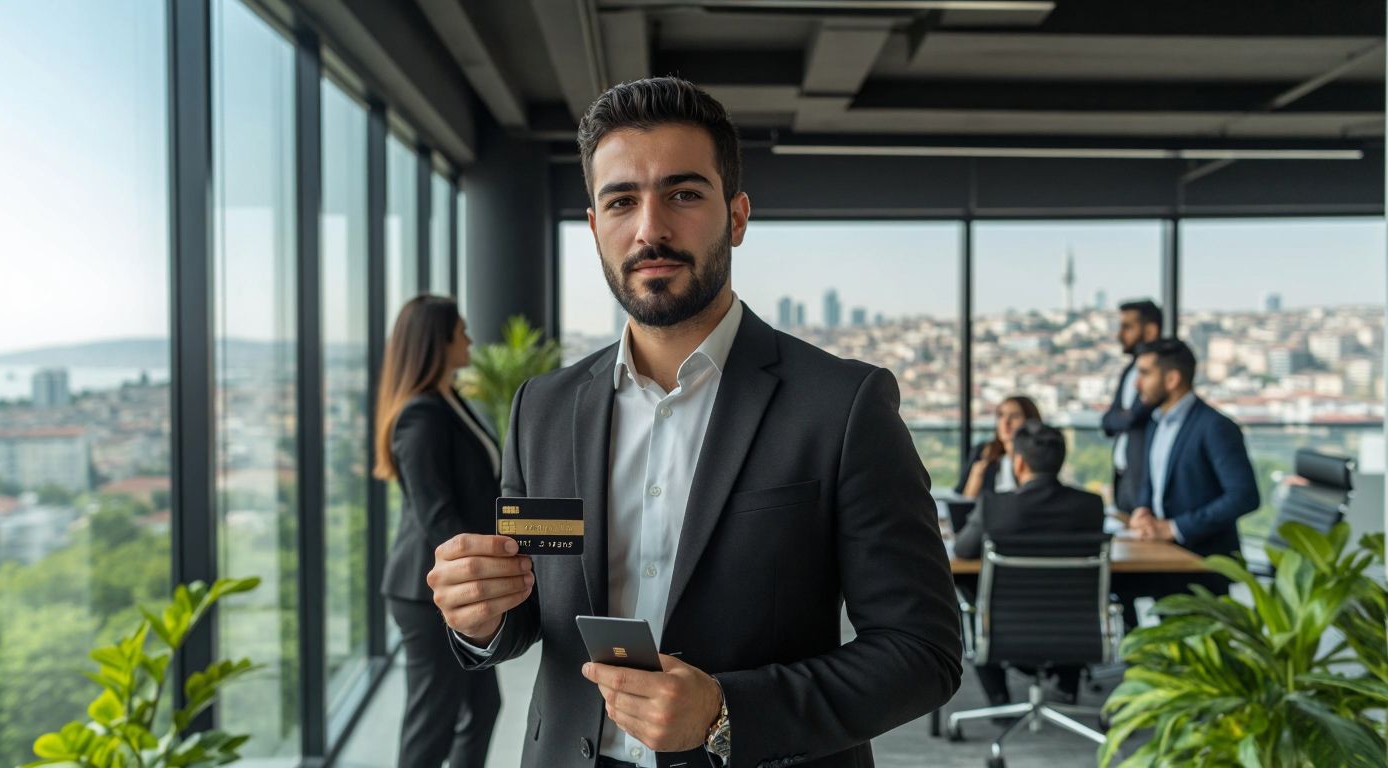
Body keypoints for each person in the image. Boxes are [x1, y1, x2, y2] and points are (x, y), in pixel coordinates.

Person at [428, 77, 961, 768]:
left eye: (683, 194)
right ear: (595, 226)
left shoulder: (842, 405)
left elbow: (924, 651)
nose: (650, 228)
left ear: (736, 217)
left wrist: (726, 712)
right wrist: (481, 617)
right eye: (621, 201)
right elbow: (531, 612)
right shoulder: (544, 408)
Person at [375, 295, 501, 768]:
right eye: (461, 331)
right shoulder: (420, 415)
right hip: (426, 590)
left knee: (483, 706)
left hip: (450, 585)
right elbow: (437, 516)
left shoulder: (450, 401)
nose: (469, 338)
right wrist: (484, 567)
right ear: (437, 339)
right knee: (434, 718)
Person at [953, 423, 1106, 706]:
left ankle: (999, 699)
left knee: (965, 587)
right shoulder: (1091, 505)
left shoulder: (995, 506)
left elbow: (962, 550)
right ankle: (1067, 686)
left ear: (1019, 462)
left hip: (1005, 629)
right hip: (1075, 631)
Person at [1130, 338, 1259, 563]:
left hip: (1204, 561)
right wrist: (1143, 509)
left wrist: (1175, 528)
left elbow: (1244, 496)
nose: (1137, 384)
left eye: (1145, 373)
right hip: (1161, 551)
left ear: (1172, 379)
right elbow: (1151, 482)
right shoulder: (1155, 422)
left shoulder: (1215, 427)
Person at [1102, 300, 1162, 514]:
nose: (1120, 335)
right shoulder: (1129, 371)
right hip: (1122, 476)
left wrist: (1125, 417)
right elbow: (1108, 422)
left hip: (1144, 478)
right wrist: (1124, 417)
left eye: (1128, 327)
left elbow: (1134, 416)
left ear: (1150, 330)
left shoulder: (1160, 370)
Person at [956, 396, 1042, 498]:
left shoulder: (1039, 455)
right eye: (1001, 415)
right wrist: (976, 475)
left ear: (1030, 421)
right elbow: (964, 501)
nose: (1006, 422)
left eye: (1014, 416)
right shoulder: (983, 452)